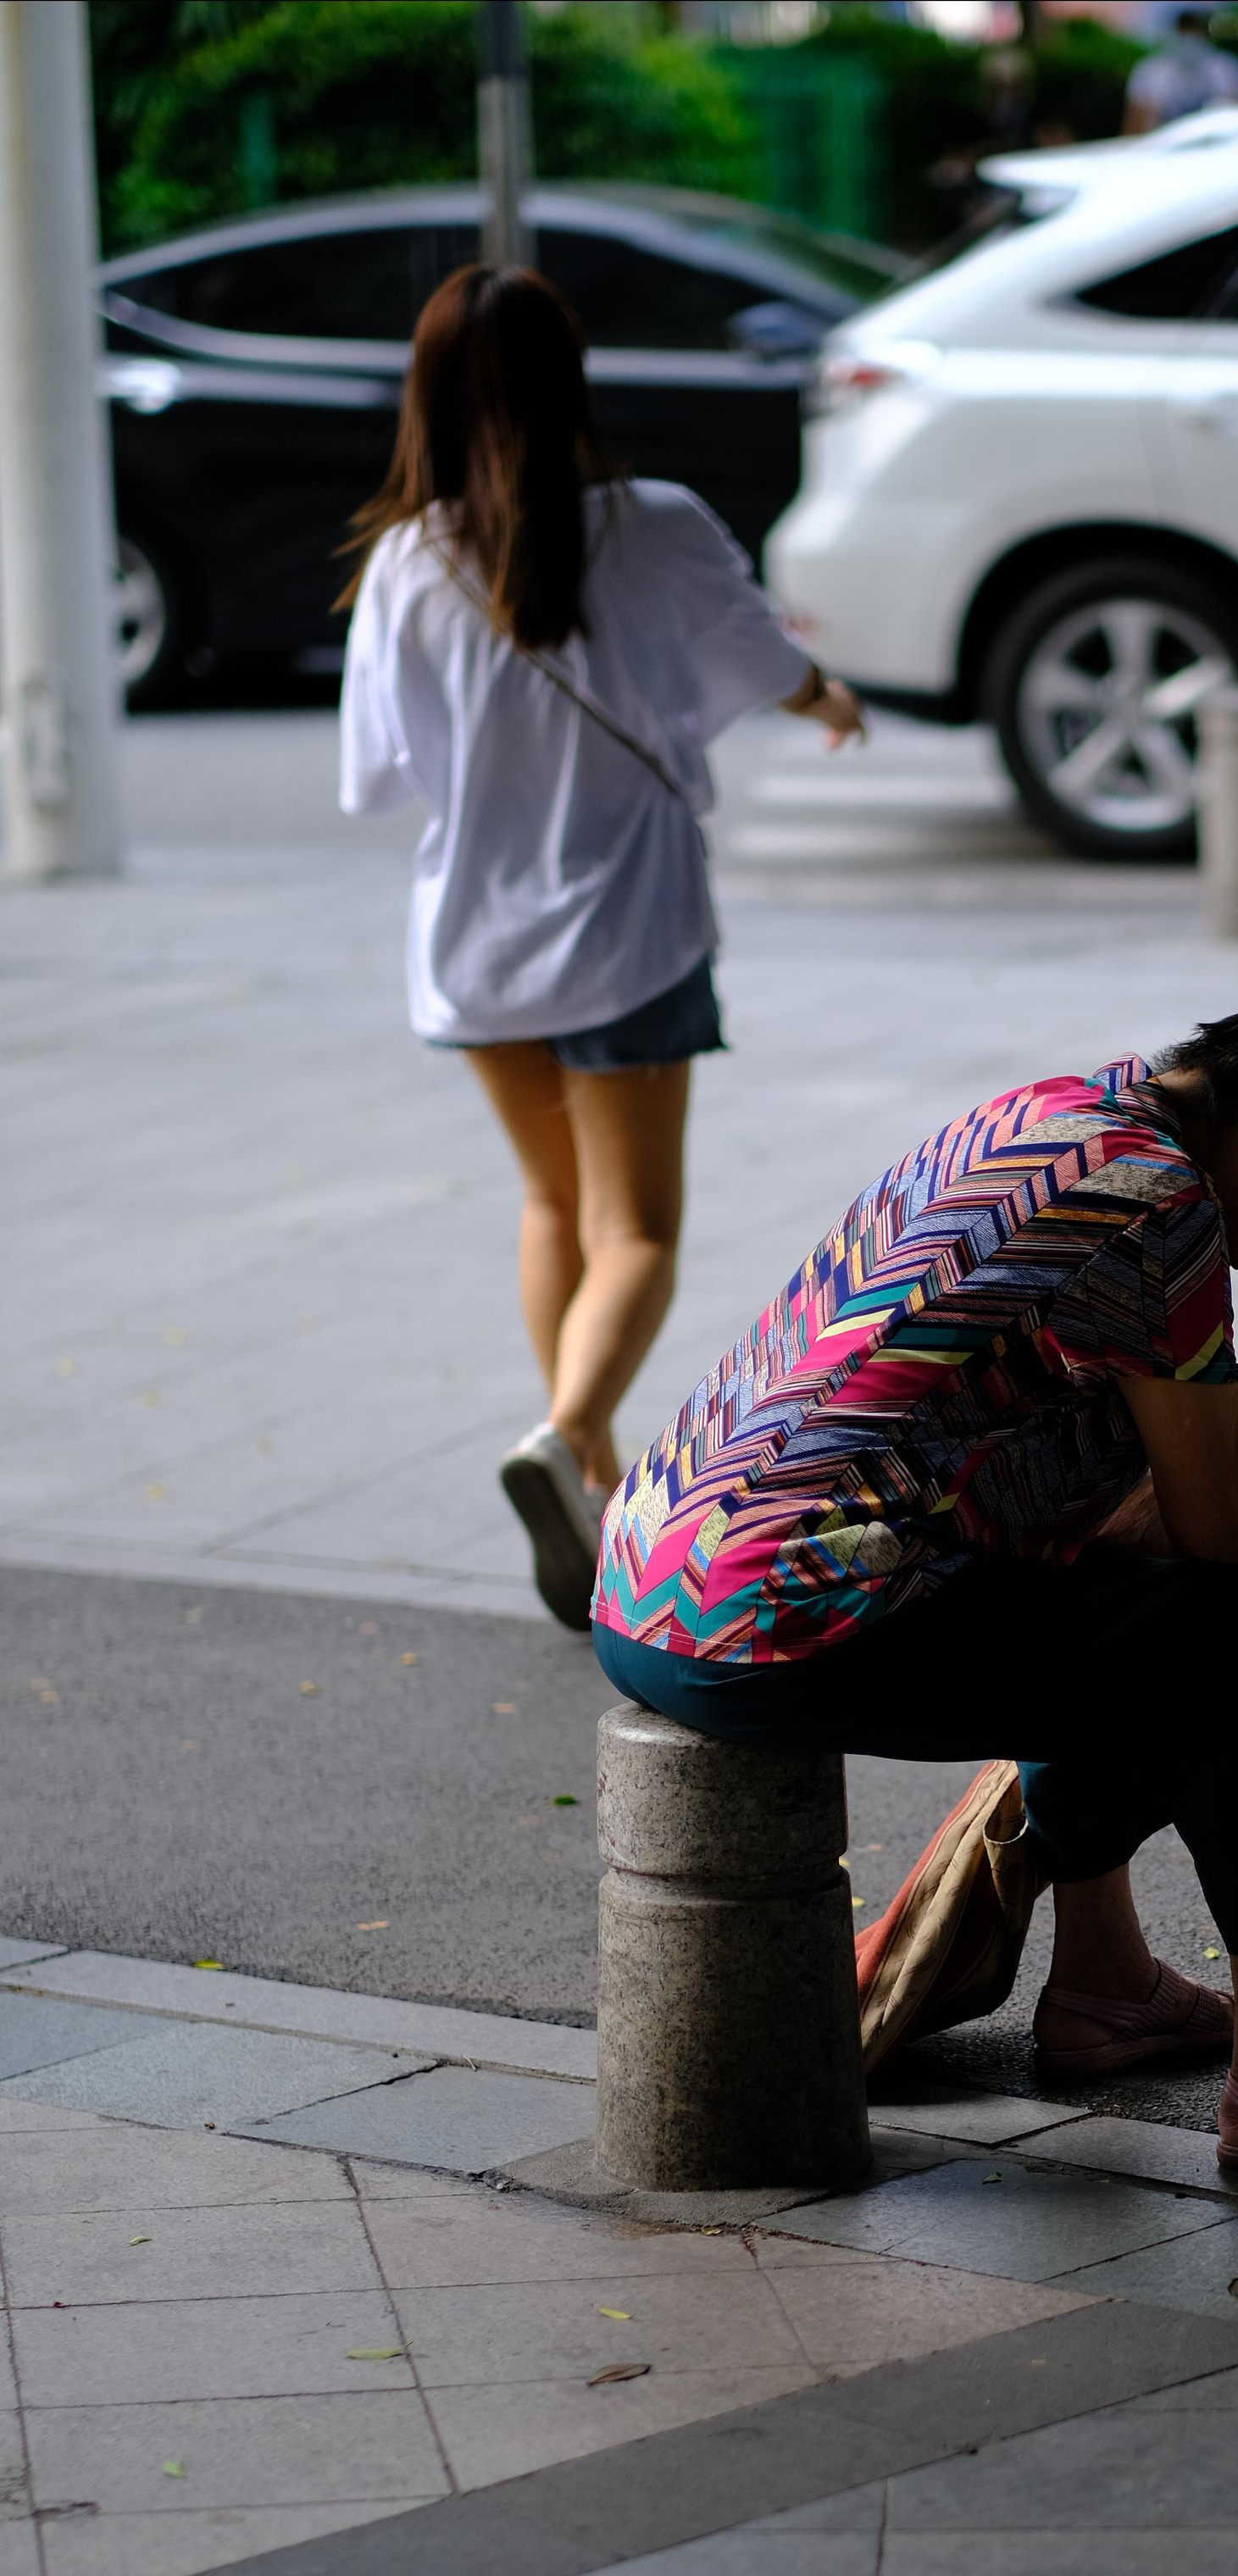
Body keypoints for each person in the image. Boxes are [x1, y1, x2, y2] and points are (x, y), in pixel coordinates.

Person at [591, 988, 1238, 2180]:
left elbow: (1168, 1511)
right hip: (772, 1619)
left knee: (1140, 1590)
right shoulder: (1161, 1206)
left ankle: (1106, 1983)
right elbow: (1230, 1530)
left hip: (658, 1587)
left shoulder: (1054, 1117)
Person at [336, 264, 863, 1629]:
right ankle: (567, 1433)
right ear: (572, 377)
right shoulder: (658, 524)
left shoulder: (404, 560)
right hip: (626, 925)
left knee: (555, 1206)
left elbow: (378, 776)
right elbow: (760, 660)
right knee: (639, 1225)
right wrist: (831, 703)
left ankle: (592, 1467)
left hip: (474, 942)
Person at [1124, 8, 1238, 136]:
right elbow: (1135, 126)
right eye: (1184, 28)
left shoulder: (1227, 67)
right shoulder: (1149, 72)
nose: (1189, 35)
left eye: (1194, 28)